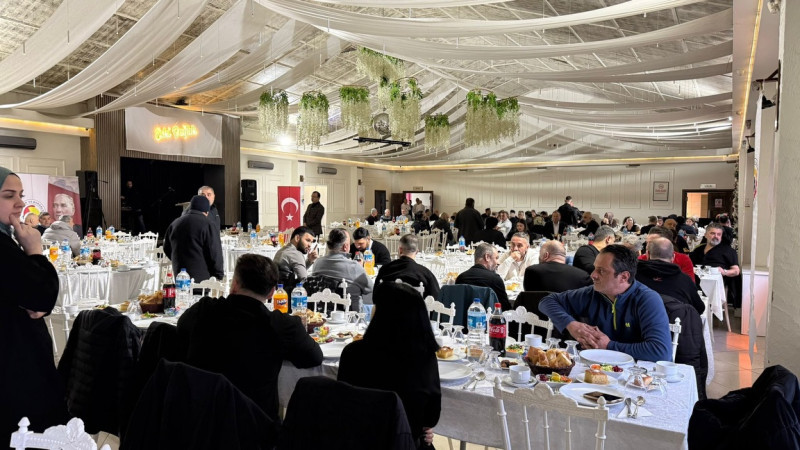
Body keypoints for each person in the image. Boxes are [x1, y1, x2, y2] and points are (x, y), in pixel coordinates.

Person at [177, 253, 323, 422]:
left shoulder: (203, 309)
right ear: (272, 293)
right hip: (254, 425)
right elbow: (314, 357)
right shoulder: (281, 325)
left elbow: (181, 330)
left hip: (198, 420)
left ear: (235, 284)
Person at [0, 167, 69, 434]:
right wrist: (35, 251)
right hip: (14, 372)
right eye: (9, 196)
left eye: (21, 195)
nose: (20, 203)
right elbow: (42, 295)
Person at [338, 281, 440, 449]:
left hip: (356, 441)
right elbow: (431, 418)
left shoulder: (352, 353)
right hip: (403, 442)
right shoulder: (424, 358)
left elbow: (343, 404)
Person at [539, 245, 672, 362]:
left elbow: (661, 352)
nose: (593, 275)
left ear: (624, 277)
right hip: (597, 368)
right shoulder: (593, 293)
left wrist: (609, 346)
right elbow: (547, 301)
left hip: (637, 375)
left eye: (601, 271)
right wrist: (571, 325)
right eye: (595, 268)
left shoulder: (648, 300)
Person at [163, 195, 224, 282]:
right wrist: (219, 275)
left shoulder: (175, 223)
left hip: (180, 276)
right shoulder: (208, 224)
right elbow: (215, 252)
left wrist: (178, 261)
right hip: (202, 280)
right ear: (206, 211)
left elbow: (166, 248)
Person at [636, 237, 704, 314]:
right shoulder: (684, 280)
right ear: (673, 257)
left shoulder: (634, 277)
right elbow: (699, 308)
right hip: (676, 320)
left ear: (647, 255)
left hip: (640, 320)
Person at [312, 228, 373, 308]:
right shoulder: (354, 266)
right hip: (351, 313)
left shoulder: (317, 263)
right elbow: (370, 289)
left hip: (322, 311)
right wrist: (361, 269)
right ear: (345, 246)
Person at [374, 234, 440, 300]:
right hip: (415, 306)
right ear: (417, 252)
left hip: (388, 306)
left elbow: (375, 297)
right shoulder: (425, 274)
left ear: (400, 250)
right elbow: (436, 300)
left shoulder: (384, 270)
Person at [690, 223, 741, 308]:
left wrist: (724, 272)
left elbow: (736, 271)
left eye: (719, 234)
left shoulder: (728, 251)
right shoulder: (698, 250)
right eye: (712, 233)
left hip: (714, 287)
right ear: (705, 235)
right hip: (695, 282)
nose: (716, 236)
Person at [455, 243, 511, 311]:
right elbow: (506, 308)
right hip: (489, 317)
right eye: (496, 258)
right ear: (487, 257)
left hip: (465, 317)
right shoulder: (495, 280)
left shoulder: (461, 278)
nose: (497, 262)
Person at [523, 240, 592, 293]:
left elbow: (529, 296)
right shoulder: (583, 276)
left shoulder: (531, 272)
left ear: (546, 255)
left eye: (540, 255)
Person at [274, 226, 319, 293]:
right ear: (297, 238)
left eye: (311, 242)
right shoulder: (296, 254)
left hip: (278, 293)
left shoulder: (281, 250)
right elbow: (304, 280)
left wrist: (309, 261)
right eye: (308, 240)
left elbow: (296, 269)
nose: (310, 245)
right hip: (290, 295)